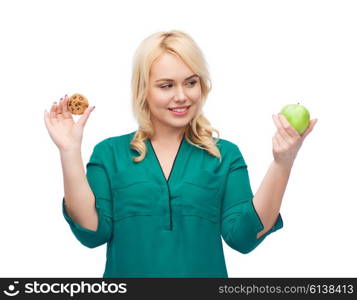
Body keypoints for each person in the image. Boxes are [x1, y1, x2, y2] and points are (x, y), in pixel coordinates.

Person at [44, 30, 317, 278]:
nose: (182, 96)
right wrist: (69, 152)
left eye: (190, 82)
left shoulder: (224, 156)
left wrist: (283, 162)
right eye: (166, 85)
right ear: (143, 90)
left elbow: (244, 238)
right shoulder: (109, 153)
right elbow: (92, 232)